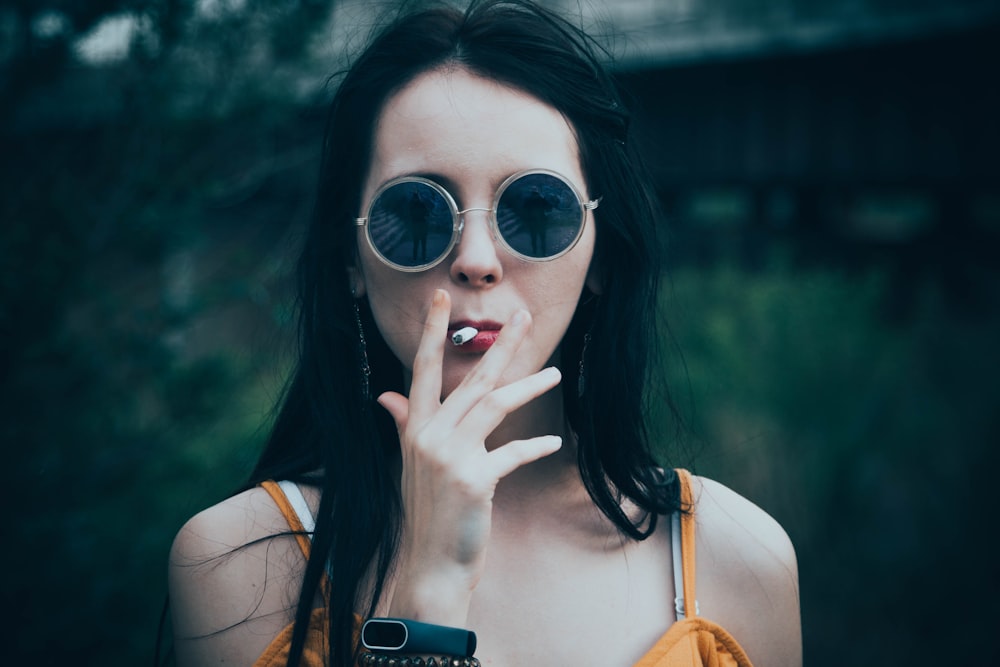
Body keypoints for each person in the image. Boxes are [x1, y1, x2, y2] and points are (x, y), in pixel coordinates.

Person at [166, 1, 802, 666]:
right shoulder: (236, 565)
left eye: (535, 209)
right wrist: (428, 591)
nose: (476, 258)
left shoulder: (739, 558)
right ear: (350, 258)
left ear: (602, 256)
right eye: (416, 212)